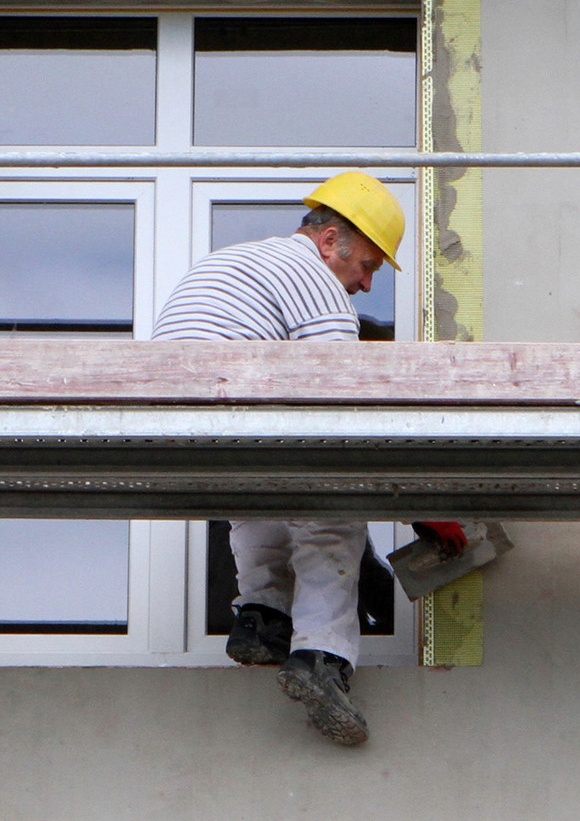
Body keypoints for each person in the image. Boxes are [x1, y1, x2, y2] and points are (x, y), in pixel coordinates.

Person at [152, 170, 465, 746]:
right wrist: (422, 500)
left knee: (257, 502)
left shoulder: (235, 262)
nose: (367, 286)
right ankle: (321, 658)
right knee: (330, 513)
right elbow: (341, 398)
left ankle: (263, 618)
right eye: (368, 266)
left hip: (177, 430)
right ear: (329, 243)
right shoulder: (312, 278)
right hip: (235, 413)